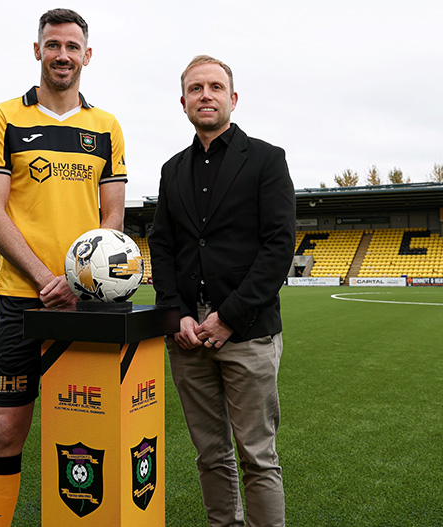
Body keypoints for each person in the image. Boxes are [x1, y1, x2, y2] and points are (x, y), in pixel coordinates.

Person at [0, 9, 126, 526]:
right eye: (53, 44)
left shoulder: (106, 127)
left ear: (87, 54)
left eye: (72, 46)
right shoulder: (4, 118)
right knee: (5, 429)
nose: (63, 55)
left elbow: (113, 218)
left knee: (90, 431)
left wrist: (81, 284)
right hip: (23, 299)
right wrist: (45, 280)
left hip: (86, 305)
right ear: (37, 50)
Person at [148, 55, 295, 527]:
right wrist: (177, 315)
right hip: (188, 337)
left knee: (257, 456)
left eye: (215, 87)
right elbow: (162, 244)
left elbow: (278, 247)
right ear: (184, 102)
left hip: (247, 333)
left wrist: (228, 316)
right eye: (195, 89)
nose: (205, 95)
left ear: (232, 99)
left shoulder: (268, 160)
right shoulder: (172, 171)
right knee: (210, 455)